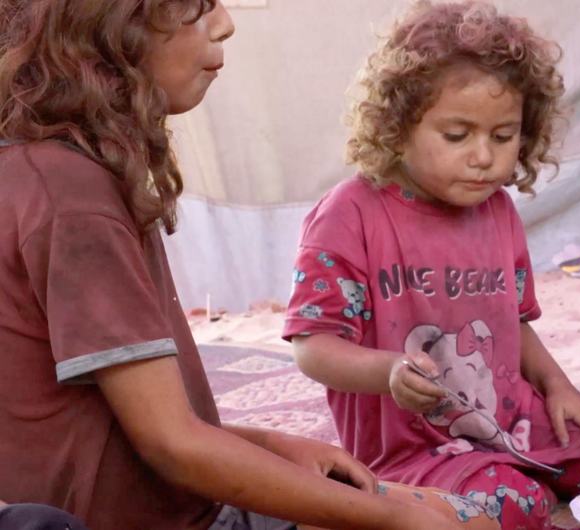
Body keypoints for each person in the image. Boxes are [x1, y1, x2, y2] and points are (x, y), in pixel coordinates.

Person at [0, 1, 497, 529]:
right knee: (461, 523)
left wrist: (273, 444)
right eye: (195, 7)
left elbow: (130, 427)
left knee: (457, 514)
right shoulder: (71, 197)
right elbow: (173, 446)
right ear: (105, 27)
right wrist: (389, 519)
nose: (225, 23)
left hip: (165, 495)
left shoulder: (49, 169)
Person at [283, 2, 580, 528]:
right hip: (413, 450)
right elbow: (313, 348)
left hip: (511, 422)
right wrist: (390, 371)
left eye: (502, 136)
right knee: (517, 501)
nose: (483, 157)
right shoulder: (349, 214)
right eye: (457, 135)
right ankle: (396, 502)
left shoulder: (497, 210)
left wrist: (559, 387)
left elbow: (512, 324)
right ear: (398, 125)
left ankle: (519, 474)